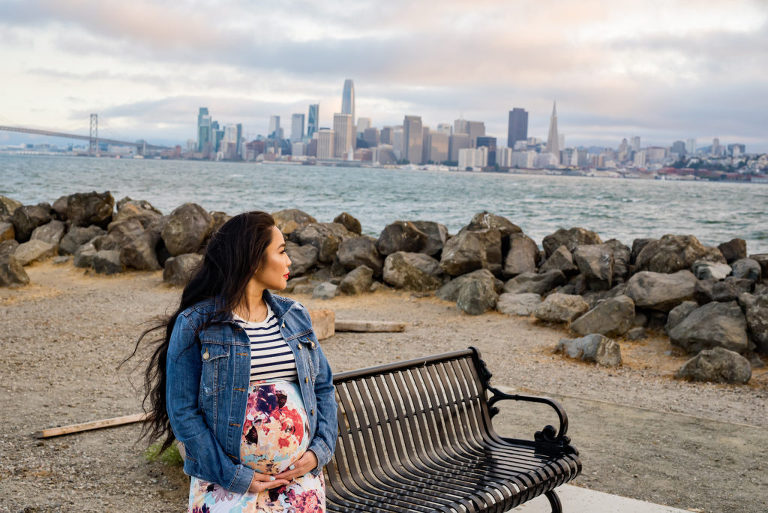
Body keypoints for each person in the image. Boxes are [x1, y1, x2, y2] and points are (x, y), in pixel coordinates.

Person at [137, 211, 337, 512]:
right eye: (281, 252)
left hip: (298, 485)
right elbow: (182, 411)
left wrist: (319, 451)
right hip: (228, 487)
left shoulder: (295, 315)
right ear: (253, 259)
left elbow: (322, 387)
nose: (289, 262)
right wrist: (233, 475)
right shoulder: (196, 324)